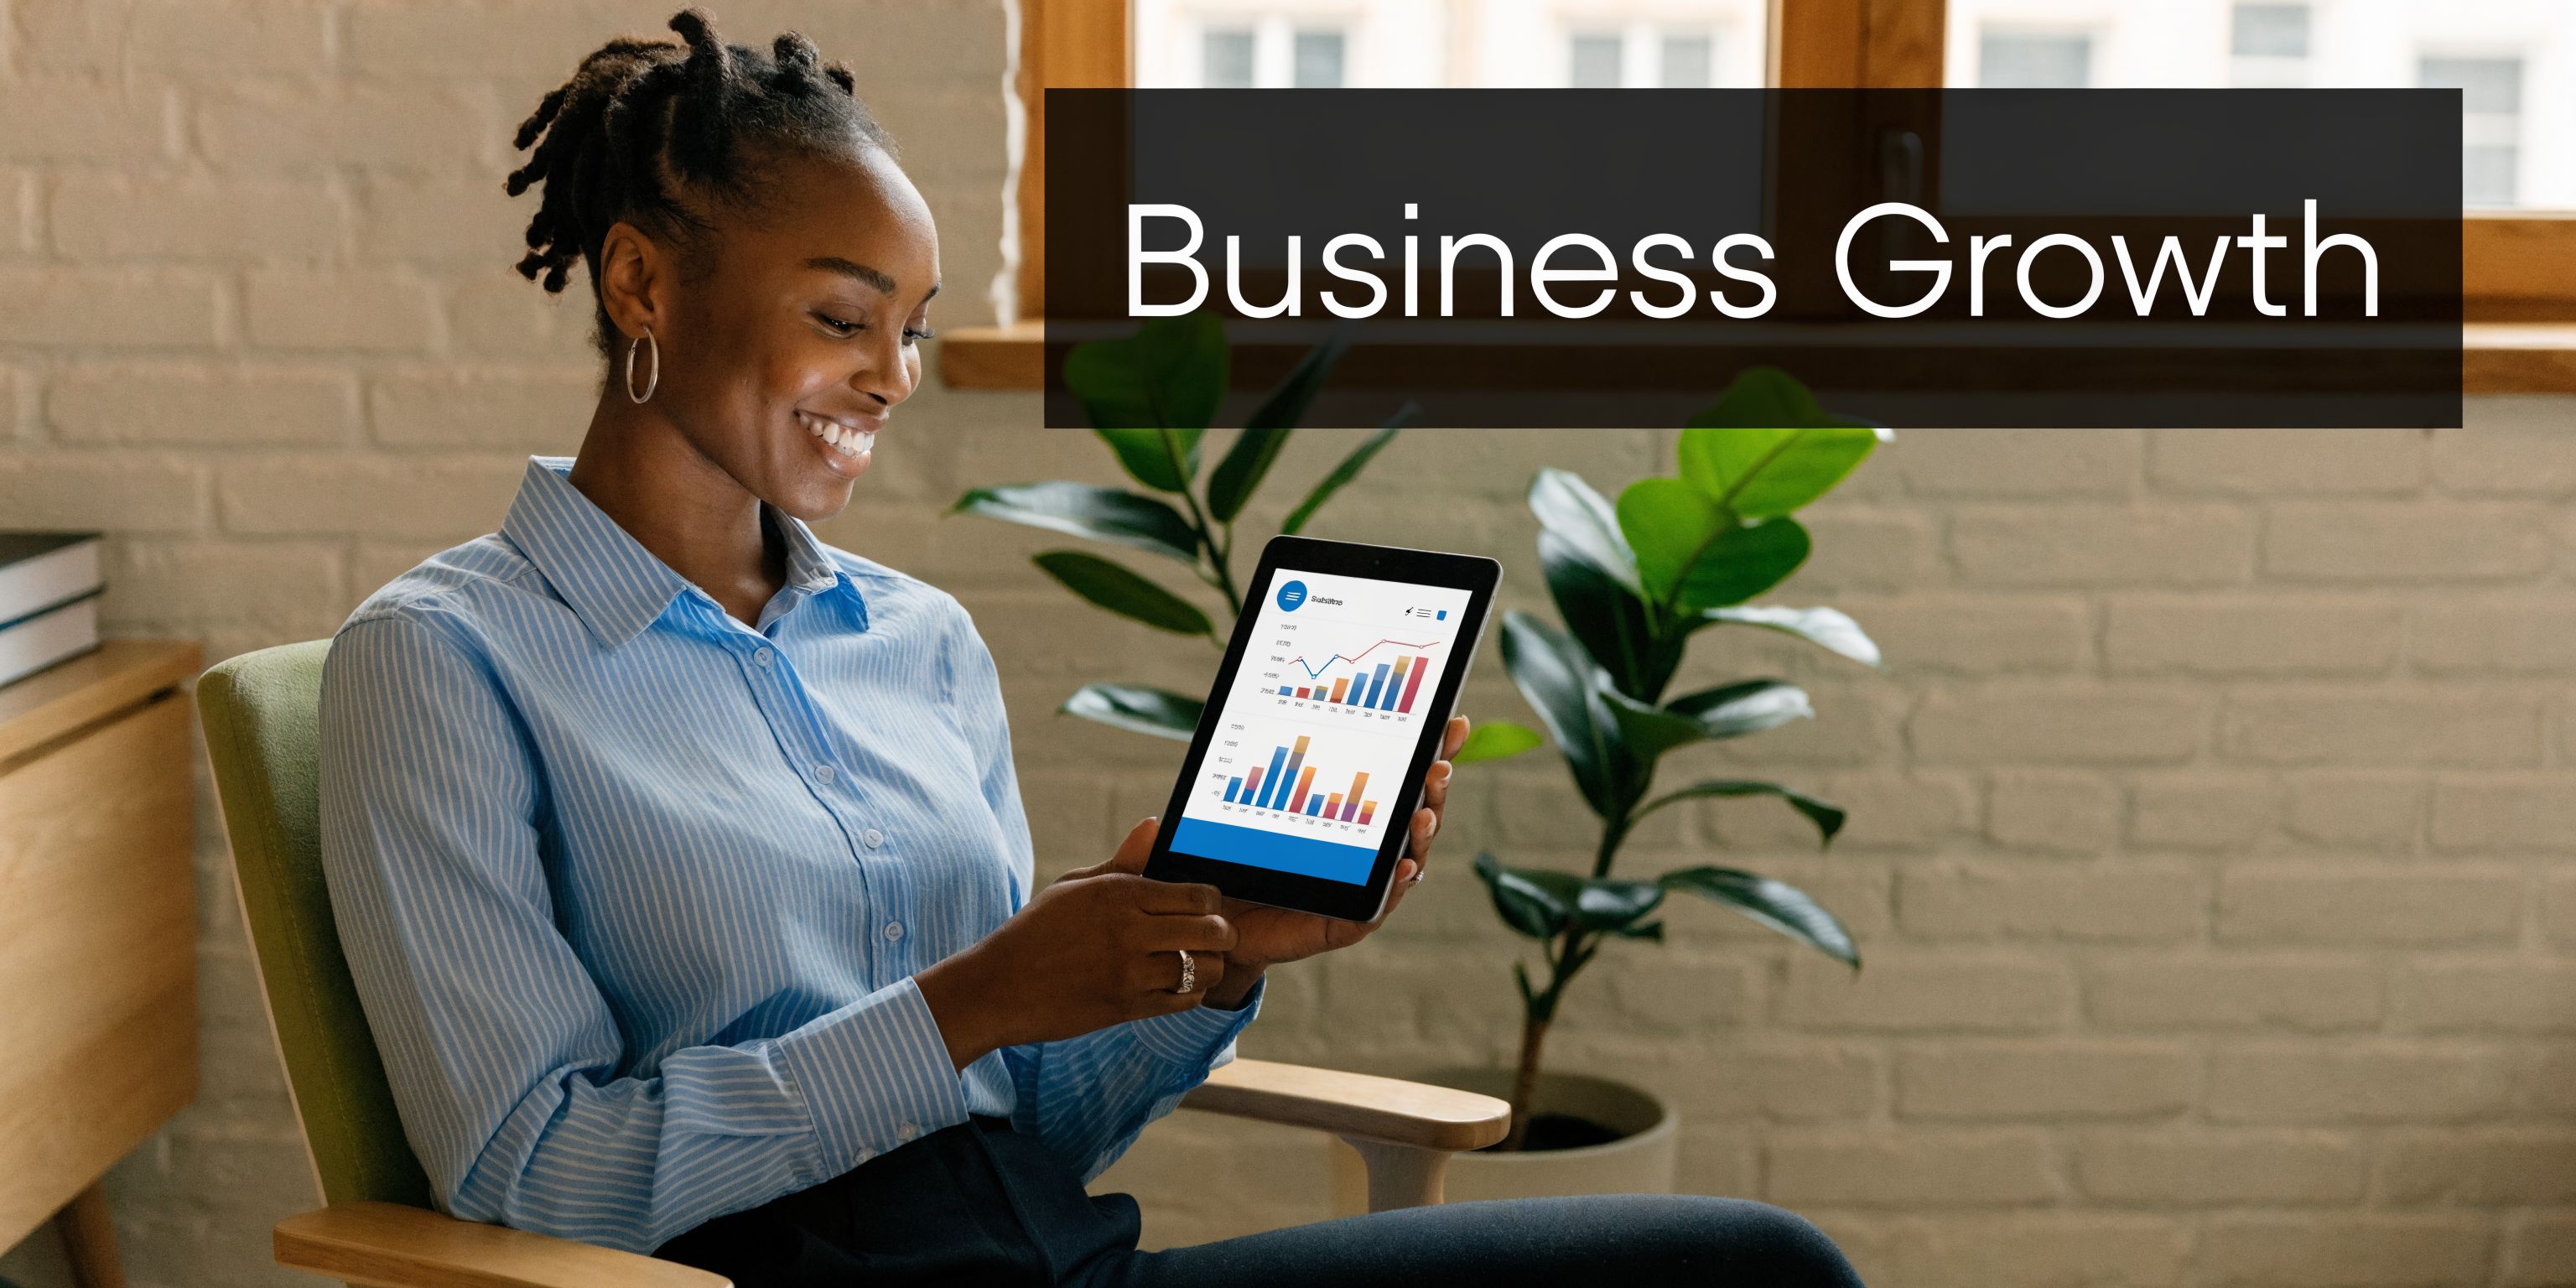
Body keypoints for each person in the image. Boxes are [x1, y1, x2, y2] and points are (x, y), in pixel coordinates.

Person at [314, 9, 1871, 1286]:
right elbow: (536, 1179)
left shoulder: (915, 645)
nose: (894, 376)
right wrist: (969, 1003)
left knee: (1757, 1270)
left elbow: (1021, 1129)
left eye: (916, 329)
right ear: (642, 278)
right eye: (847, 315)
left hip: (1060, 1263)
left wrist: (1205, 963)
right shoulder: (446, 665)